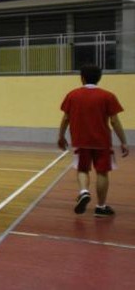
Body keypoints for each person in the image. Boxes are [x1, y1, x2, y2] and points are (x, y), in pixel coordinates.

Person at [58, 65, 128, 217]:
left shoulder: (72, 95)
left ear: (82, 77)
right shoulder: (108, 96)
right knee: (102, 172)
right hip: (102, 142)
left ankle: (84, 192)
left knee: (82, 169)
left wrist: (61, 136)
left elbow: (66, 119)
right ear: (99, 78)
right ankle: (101, 207)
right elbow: (115, 121)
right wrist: (123, 141)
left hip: (80, 140)